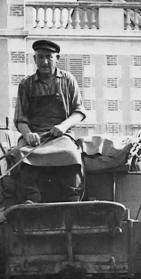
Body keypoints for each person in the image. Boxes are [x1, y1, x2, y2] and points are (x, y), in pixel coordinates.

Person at [12, 39, 87, 203]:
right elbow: (20, 118)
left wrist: (63, 126)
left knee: (71, 154)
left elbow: (79, 111)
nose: (44, 61)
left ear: (57, 58)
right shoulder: (26, 84)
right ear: (34, 59)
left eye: (49, 57)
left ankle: (72, 199)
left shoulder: (68, 80)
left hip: (61, 135)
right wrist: (29, 134)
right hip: (35, 137)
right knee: (23, 154)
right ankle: (33, 199)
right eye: (40, 57)